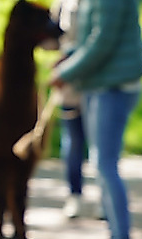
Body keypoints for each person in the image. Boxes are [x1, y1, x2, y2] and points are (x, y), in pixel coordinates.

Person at [50, 0, 142, 239]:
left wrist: (66, 72)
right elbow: (89, 34)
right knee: (99, 163)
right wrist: (68, 56)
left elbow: (101, 42)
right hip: (99, 84)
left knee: (105, 164)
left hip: (113, 87)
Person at [50, 0, 88, 218]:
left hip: (95, 80)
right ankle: (75, 194)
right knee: (73, 140)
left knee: (101, 145)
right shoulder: (62, 3)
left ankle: (105, 197)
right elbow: (56, 39)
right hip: (70, 84)